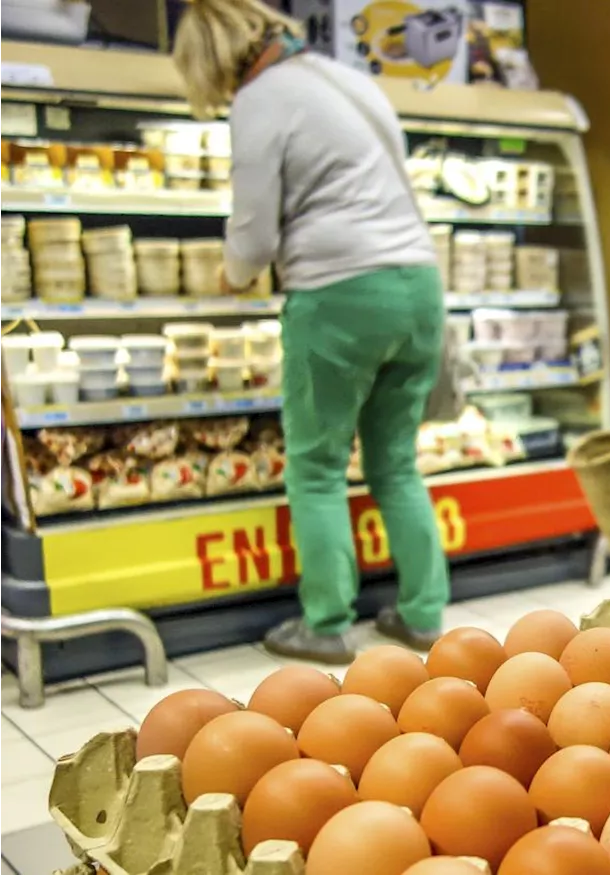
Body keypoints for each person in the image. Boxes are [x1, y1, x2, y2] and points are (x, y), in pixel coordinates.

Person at [173, 0, 450, 664]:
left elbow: (255, 233)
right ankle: (423, 614)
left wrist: (232, 275)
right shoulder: (348, 78)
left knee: (319, 467)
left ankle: (325, 623)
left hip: (339, 293)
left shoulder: (260, 100)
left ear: (212, 59)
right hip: (417, 284)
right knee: (395, 463)